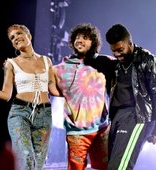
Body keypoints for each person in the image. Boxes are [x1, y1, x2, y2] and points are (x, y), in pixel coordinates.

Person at [0, 24, 60, 170]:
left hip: (44, 114)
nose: (16, 38)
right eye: (12, 38)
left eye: (19, 33)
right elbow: (6, 95)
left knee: (38, 163)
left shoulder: (47, 61)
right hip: (20, 113)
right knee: (26, 157)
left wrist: (74, 94)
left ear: (29, 35)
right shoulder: (11, 63)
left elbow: (53, 89)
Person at [54, 23, 110, 170]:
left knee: (106, 167)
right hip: (77, 131)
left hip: (102, 128)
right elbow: (47, 84)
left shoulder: (104, 62)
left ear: (93, 42)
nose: (79, 40)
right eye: (77, 37)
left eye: (84, 38)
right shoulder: (62, 67)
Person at [105, 23, 156, 170]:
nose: (117, 54)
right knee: (112, 164)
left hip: (138, 116)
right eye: (113, 51)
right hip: (117, 117)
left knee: (119, 166)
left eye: (120, 49)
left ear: (130, 43)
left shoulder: (148, 61)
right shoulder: (116, 65)